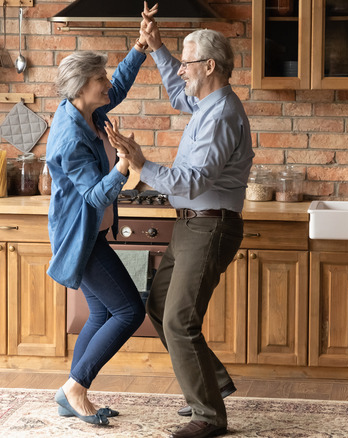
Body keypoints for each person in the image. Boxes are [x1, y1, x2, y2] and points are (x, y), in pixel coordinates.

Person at [106, 11, 254, 438]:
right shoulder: (206, 101)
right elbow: (177, 90)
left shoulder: (222, 114)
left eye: (188, 64)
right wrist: (156, 46)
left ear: (209, 66)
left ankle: (209, 415)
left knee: (178, 321)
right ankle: (214, 382)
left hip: (210, 226)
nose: (182, 71)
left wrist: (140, 162)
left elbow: (194, 181)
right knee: (158, 306)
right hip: (193, 224)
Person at [46, 3, 158, 427]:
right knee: (129, 311)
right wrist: (124, 166)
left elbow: (120, 87)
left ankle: (70, 391)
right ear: (80, 87)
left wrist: (140, 47)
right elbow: (93, 196)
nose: (107, 85)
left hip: (93, 233)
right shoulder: (69, 138)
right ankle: (76, 388)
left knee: (101, 313)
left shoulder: (88, 111)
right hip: (81, 236)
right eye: (100, 80)